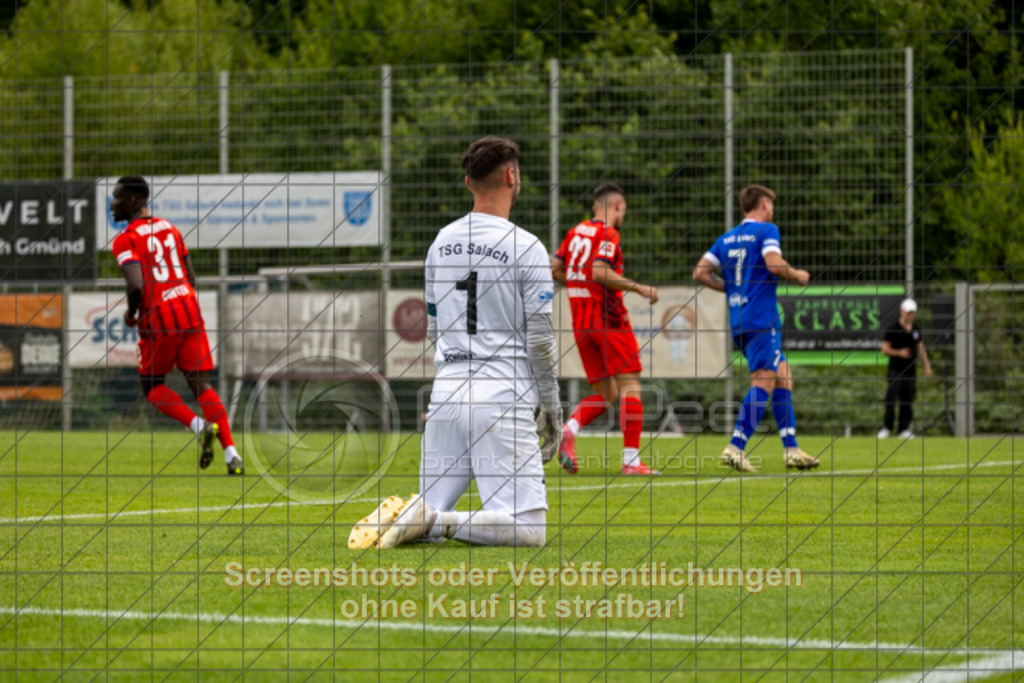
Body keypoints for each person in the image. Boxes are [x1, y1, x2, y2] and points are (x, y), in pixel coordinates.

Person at [348, 136, 561, 549]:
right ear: (513, 177)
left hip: (445, 396)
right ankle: (436, 521)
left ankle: (427, 518)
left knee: (418, 519)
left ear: (468, 182)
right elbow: (540, 341)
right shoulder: (527, 247)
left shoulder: (440, 243)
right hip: (501, 394)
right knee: (529, 530)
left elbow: (433, 328)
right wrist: (550, 403)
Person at [111, 175, 243, 475]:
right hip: (190, 309)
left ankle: (199, 427)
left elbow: (136, 286)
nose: (112, 203)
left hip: (159, 318)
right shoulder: (171, 228)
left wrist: (131, 314)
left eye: (117, 197)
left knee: (153, 387)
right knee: (201, 385)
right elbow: (191, 276)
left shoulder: (125, 240)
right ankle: (232, 455)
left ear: (133, 200)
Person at [692, 184, 819, 473]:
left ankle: (792, 450)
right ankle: (736, 447)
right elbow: (774, 265)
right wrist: (798, 274)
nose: (772, 210)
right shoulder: (766, 230)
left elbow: (699, 272)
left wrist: (731, 287)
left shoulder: (726, 239)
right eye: (770, 204)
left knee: (783, 376)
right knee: (763, 380)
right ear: (763, 204)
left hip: (740, 321)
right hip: (762, 319)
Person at [551, 183, 660, 476]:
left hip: (581, 322)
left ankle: (568, 429)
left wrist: (578, 284)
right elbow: (600, 271)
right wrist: (640, 288)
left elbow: (555, 269)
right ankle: (631, 461)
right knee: (630, 386)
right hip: (608, 321)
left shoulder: (575, 233)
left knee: (607, 392)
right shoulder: (607, 233)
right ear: (618, 206)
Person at [878, 298, 933, 439]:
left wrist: (927, 365)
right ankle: (887, 428)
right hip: (895, 370)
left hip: (910, 372)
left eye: (913, 312)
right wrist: (899, 353)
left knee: (907, 401)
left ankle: (903, 429)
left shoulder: (915, 330)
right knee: (891, 399)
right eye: (908, 312)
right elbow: (884, 349)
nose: (910, 315)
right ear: (902, 311)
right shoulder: (893, 329)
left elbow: (921, 349)